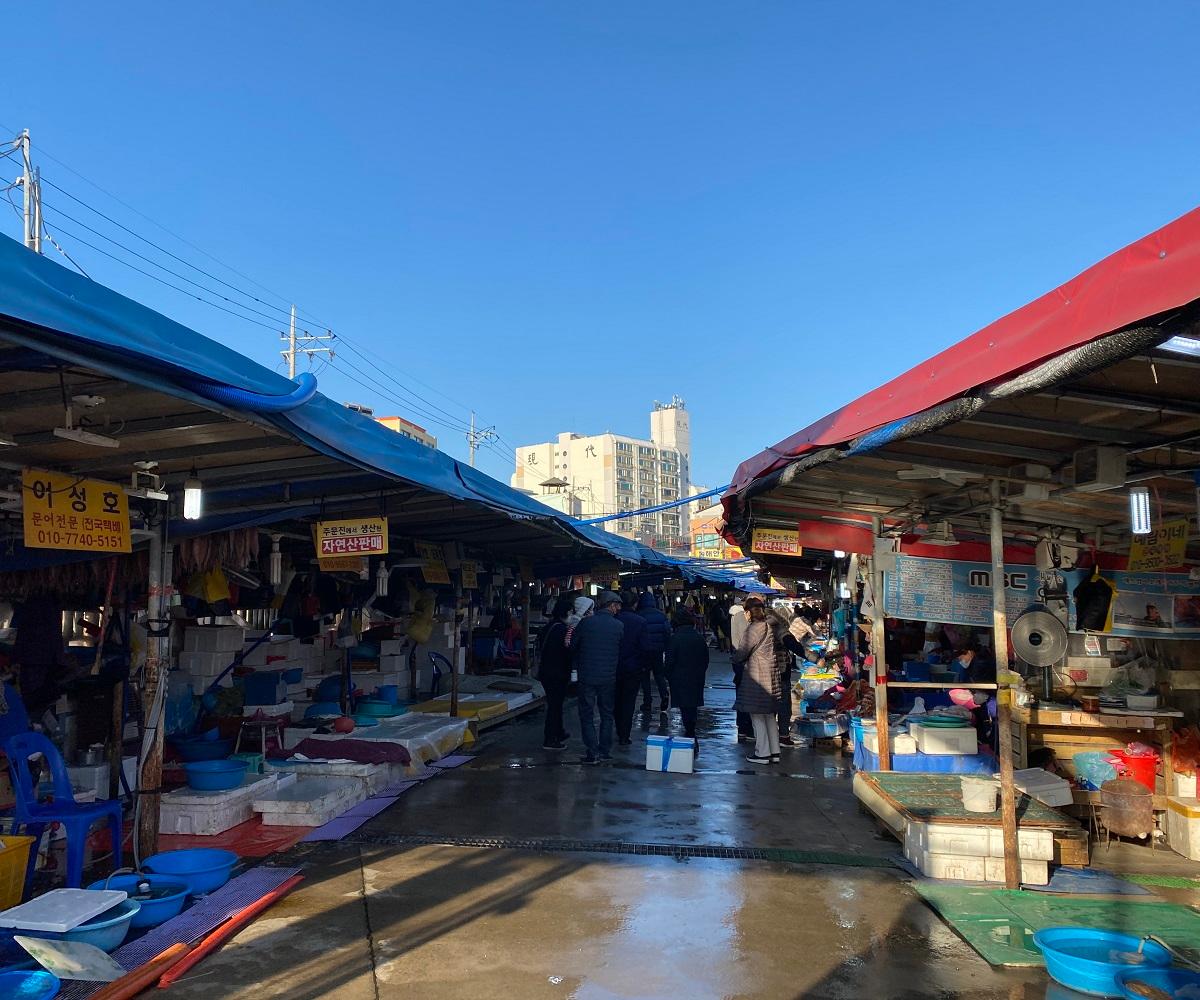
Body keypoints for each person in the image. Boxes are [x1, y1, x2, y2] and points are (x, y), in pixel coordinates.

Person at [570, 590, 623, 764]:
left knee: (587, 714)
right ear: (611, 605)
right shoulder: (618, 626)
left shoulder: (586, 624)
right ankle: (605, 751)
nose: (618, 609)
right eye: (617, 606)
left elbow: (573, 645)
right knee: (607, 714)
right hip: (608, 677)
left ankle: (592, 752)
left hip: (587, 676)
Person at [732, 596, 780, 765]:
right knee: (769, 715)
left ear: (748, 613)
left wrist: (735, 659)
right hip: (771, 674)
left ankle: (762, 753)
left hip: (758, 676)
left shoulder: (753, 629)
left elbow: (742, 651)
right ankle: (774, 751)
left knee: (757, 715)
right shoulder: (768, 625)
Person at [666, 608, 709, 756]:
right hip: (696, 677)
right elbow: (705, 659)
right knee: (691, 707)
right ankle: (691, 732)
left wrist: (668, 675)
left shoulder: (675, 638)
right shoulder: (699, 638)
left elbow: (669, 661)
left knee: (685, 707)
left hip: (679, 678)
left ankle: (690, 734)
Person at [538, 596, 574, 751]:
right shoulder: (562, 630)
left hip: (547, 672)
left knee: (556, 704)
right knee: (555, 706)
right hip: (557, 673)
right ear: (565, 612)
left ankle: (558, 732)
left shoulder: (549, 627)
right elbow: (566, 651)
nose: (572, 615)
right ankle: (550, 739)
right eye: (571, 612)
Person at [614, 591, 649, 746]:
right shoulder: (640, 621)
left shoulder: (615, 619)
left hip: (614, 666)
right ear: (635, 604)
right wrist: (644, 666)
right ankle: (624, 734)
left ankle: (619, 729)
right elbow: (644, 647)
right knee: (629, 701)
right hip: (633, 668)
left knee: (616, 700)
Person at [767, 605, 805, 746]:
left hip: (765, 672)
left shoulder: (760, 628)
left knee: (769, 708)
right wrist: (815, 658)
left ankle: (769, 738)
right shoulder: (778, 628)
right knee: (783, 705)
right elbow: (793, 645)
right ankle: (783, 736)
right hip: (781, 671)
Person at [637, 591, 671, 714]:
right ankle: (664, 694)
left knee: (645, 677)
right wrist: (666, 647)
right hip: (658, 650)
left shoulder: (639, 615)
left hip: (644, 651)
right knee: (659, 674)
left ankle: (647, 702)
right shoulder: (661, 615)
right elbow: (667, 632)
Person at [728, 596, 754, 742]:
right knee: (747, 696)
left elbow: (735, 642)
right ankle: (746, 728)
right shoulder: (741, 618)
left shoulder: (737, 617)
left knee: (742, 695)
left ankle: (744, 728)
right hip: (746, 664)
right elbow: (736, 642)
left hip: (741, 663)